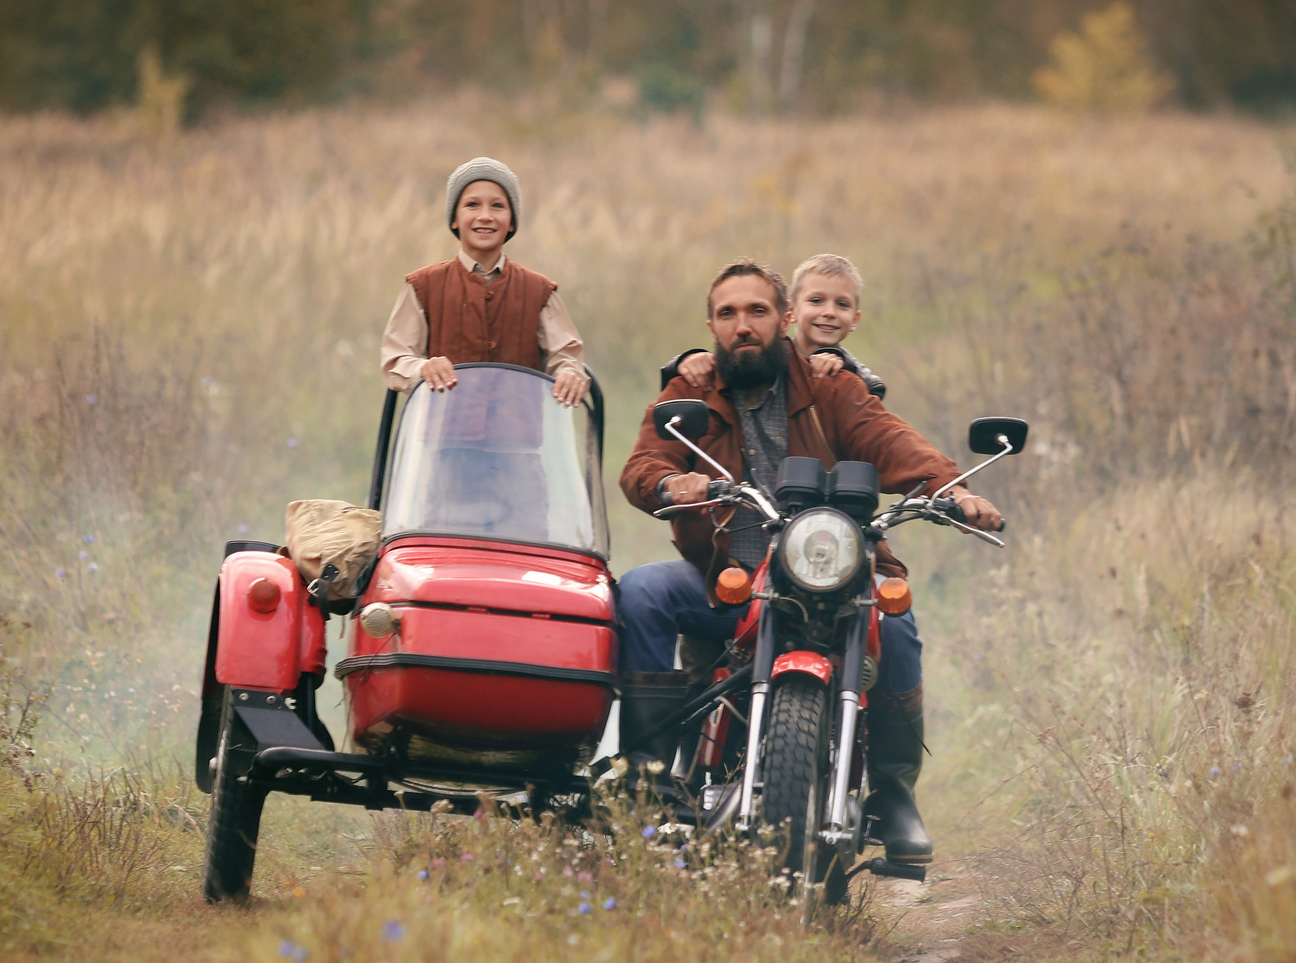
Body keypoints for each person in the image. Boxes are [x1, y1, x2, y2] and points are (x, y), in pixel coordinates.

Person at [615, 260, 1003, 868]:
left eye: (757, 312)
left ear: (784, 319)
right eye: (728, 314)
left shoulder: (831, 386)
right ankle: (646, 773)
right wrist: (670, 484)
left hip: (832, 577)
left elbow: (892, 442)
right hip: (727, 582)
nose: (743, 326)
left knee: (895, 622)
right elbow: (643, 464)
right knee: (640, 591)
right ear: (712, 325)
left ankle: (894, 794)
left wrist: (952, 490)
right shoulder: (688, 390)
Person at [380, 156, 591, 407]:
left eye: (498, 206)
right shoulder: (422, 286)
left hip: (518, 442)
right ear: (454, 219)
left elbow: (566, 356)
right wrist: (423, 368)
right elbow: (396, 360)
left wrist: (568, 374)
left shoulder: (541, 292)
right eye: (472, 205)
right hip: (440, 440)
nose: (485, 216)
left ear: (512, 221)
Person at [661, 252, 886, 398]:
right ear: (791, 313)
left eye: (842, 304)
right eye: (816, 301)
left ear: (855, 319)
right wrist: (684, 362)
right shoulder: (767, 356)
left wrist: (844, 366)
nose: (829, 312)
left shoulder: (854, 377)